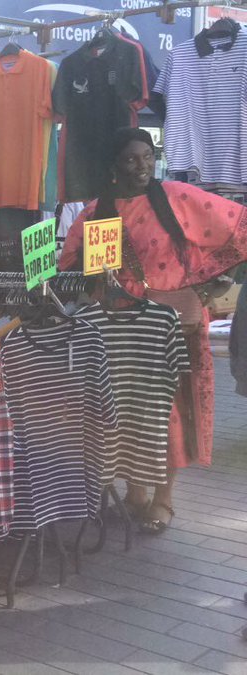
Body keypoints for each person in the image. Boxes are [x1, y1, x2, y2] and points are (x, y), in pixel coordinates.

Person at [60, 127, 247, 534]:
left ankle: (164, 500)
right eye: (131, 159)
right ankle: (135, 491)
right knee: (126, 412)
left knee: (169, 414)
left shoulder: (178, 196)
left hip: (174, 326)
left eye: (147, 156)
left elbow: (237, 225)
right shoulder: (95, 212)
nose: (142, 166)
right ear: (113, 167)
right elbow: (69, 263)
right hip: (120, 329)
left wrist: (214, 281)